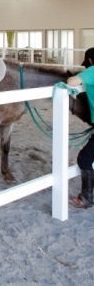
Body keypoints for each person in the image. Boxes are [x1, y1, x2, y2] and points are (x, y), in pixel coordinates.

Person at [67, 47, 94, 209]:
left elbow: (71, 82)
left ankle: (86, 198)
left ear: (90, 60)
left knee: (84, 159)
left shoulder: (92, 71)